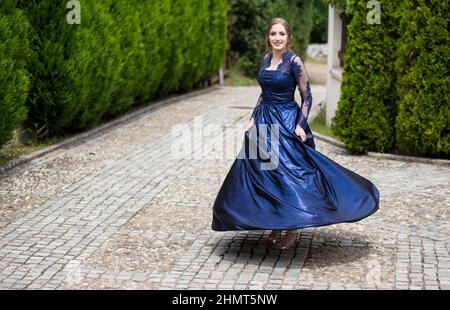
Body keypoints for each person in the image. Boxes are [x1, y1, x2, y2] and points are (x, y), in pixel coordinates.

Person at [211, 17, 379, 250]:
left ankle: (293, 229)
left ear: (288, 37)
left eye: (281, 34)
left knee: (289, 175)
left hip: (286, 121)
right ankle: (275, 223)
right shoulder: (266, 58)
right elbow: (264, 93)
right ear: (268, 37)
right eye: (273, 34)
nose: (277, 38)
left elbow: (307, 96)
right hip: (263, 121)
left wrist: (300, 124)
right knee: (264, 175)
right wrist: (251, 118)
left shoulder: (294, 61)